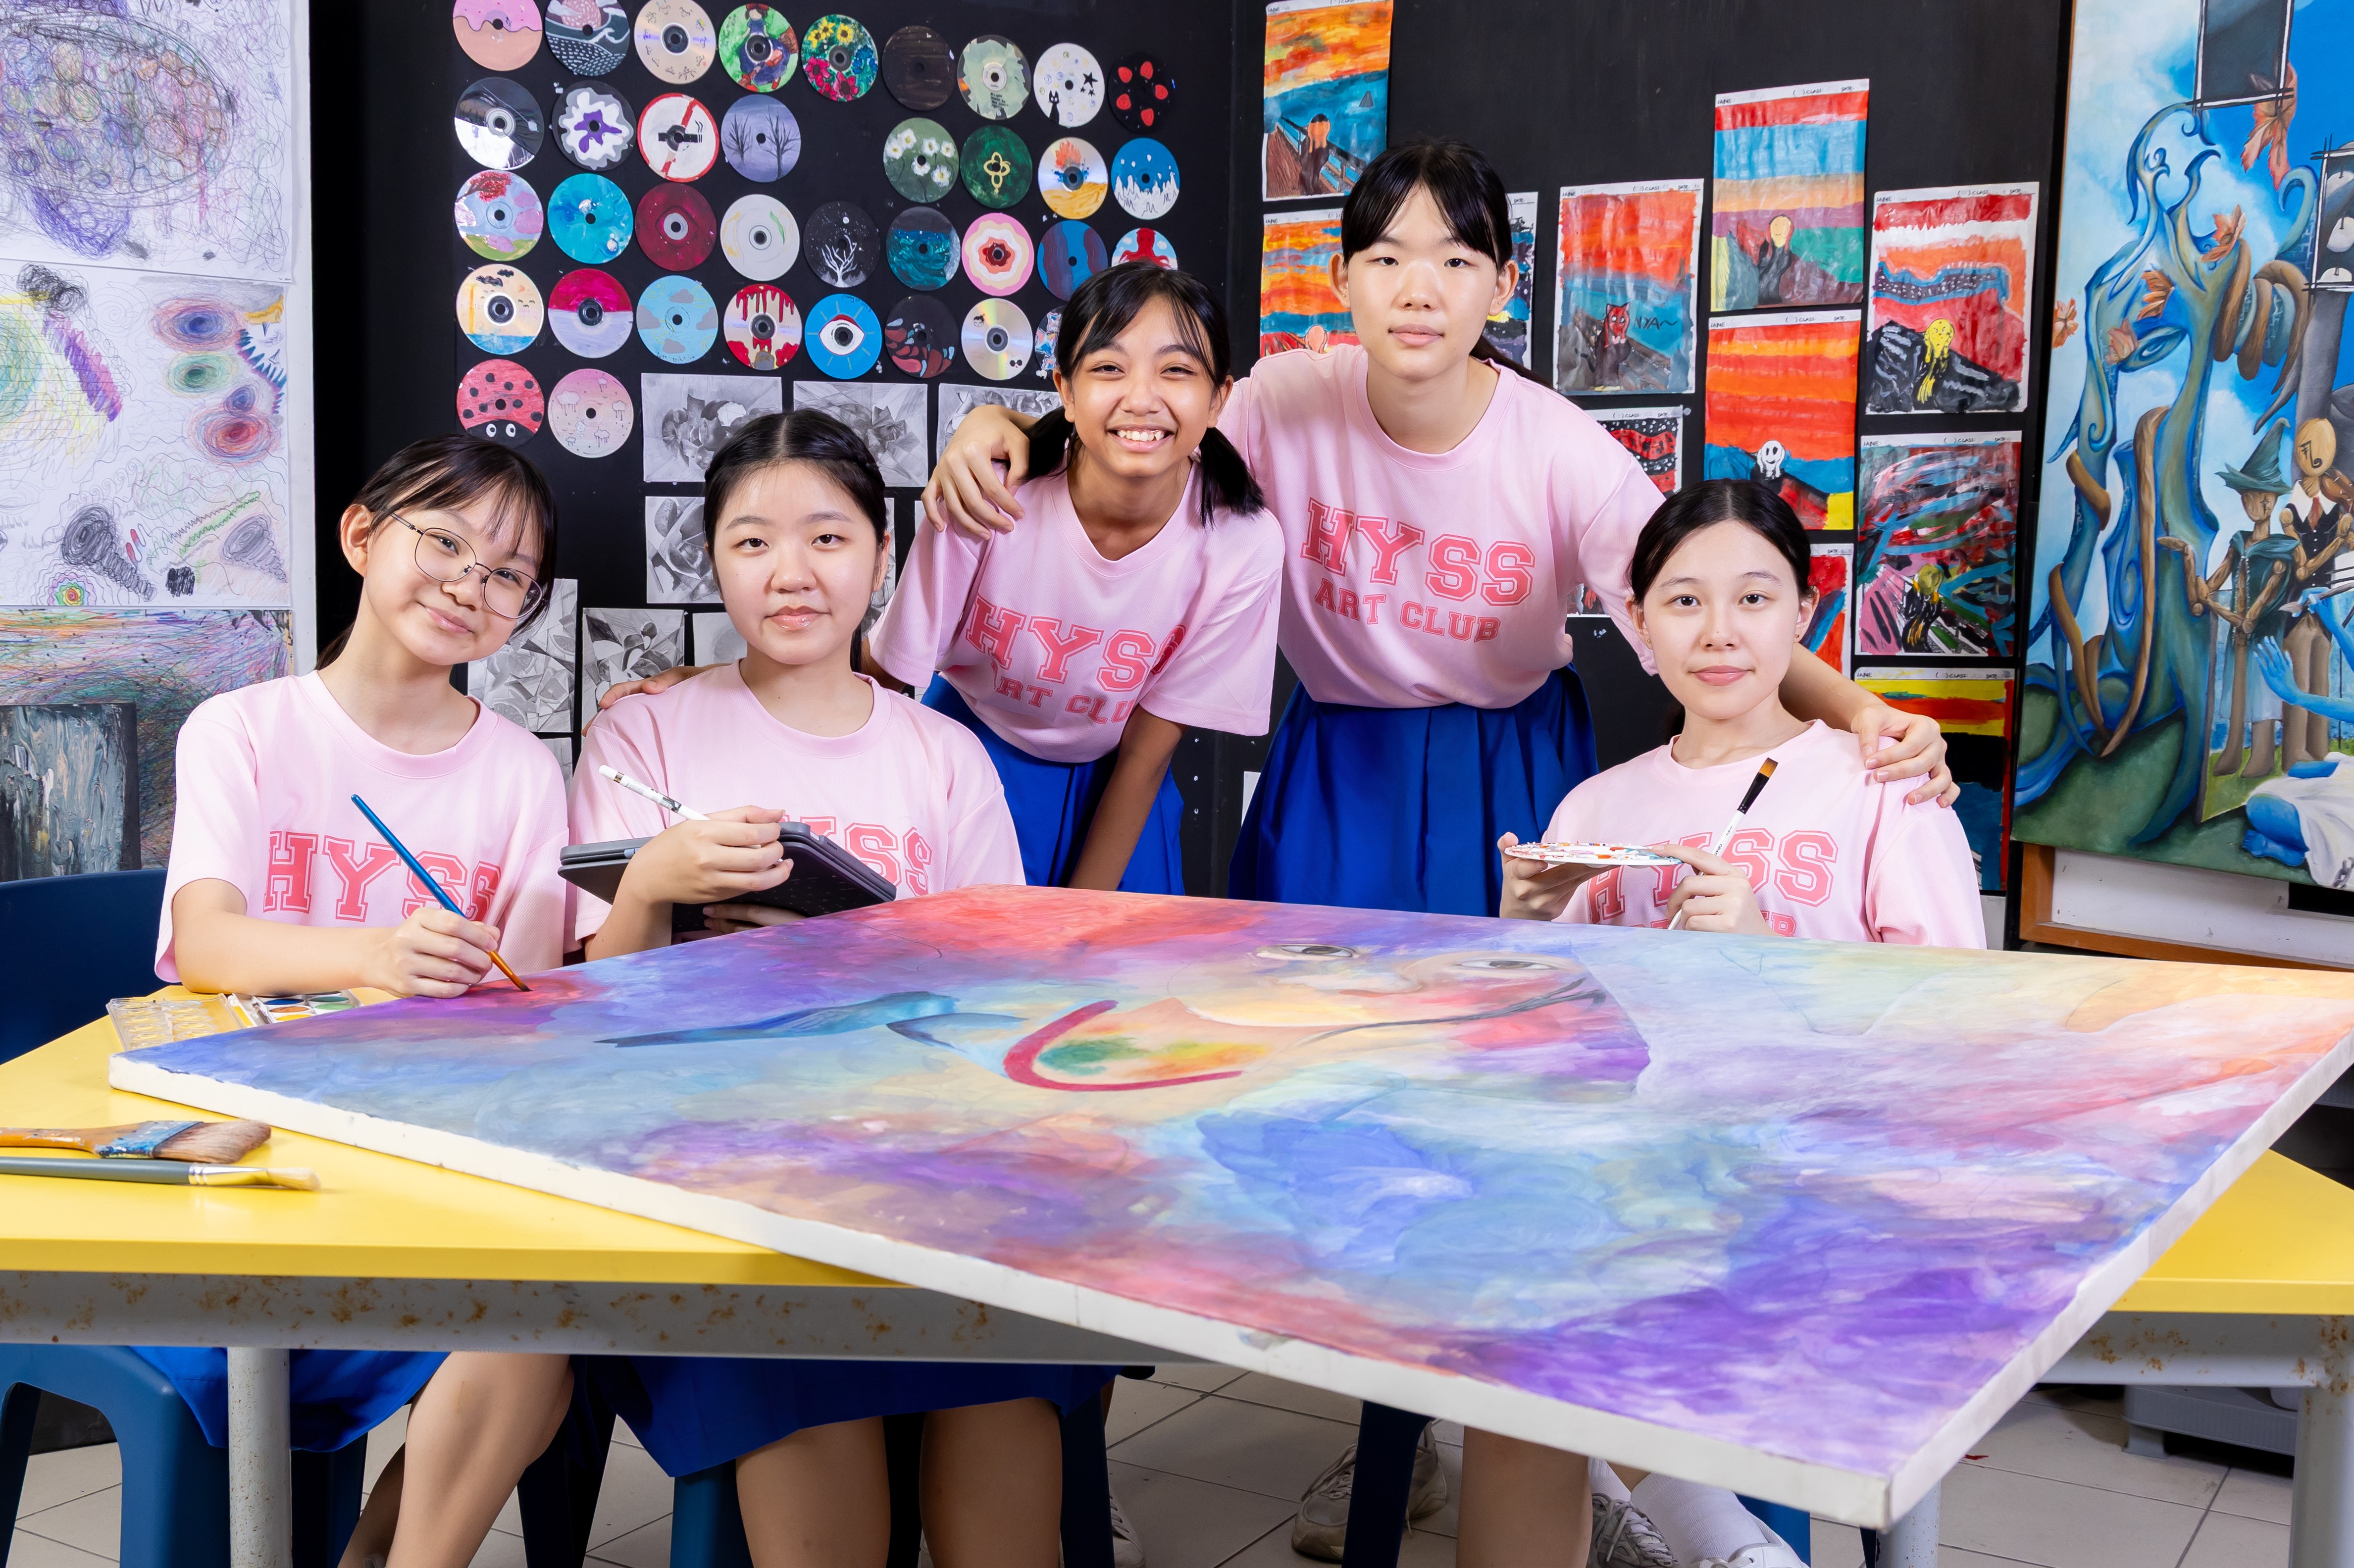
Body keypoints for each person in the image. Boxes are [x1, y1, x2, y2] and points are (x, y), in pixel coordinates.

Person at [917, 138, 1954, 929]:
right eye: (1386, 258)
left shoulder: (1558, 447)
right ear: (1341, 280)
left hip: (1506, 751)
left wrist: (1869, 715)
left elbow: (1709, 604)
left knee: (1504, 1020)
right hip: (1340, 750)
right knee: (1298, 1012)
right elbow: (1139, 429)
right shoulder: (1283, 398)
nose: (1418, 291)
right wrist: (999, 424)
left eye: (1455, 260)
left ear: (1501, 285)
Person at [568, 408, 1111, 1568]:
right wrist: (651, 885)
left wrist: (863, 951)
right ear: (711, 558)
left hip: (925, 1152)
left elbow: (1003, 997)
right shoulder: (644, 735)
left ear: (880, 553)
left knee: (1002, 1368)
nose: (792, 572)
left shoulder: (941, 752)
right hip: (723, 1163)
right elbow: (594, 1012)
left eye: (827, 537)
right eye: (752, 541)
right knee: (803, 1372)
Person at [1480, 478, 1982, 1568]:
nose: (1718, 632)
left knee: (1555, 1337)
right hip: (1632, 1179)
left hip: (1812, 1177)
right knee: (1507, 1315)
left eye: (1753, 598)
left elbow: (1954, 1027)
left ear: (1805, 610)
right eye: (1682, 601)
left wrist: (1767, 963)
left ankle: (1682, 1519)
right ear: (1638, 622)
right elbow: (1551, 1050)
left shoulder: (1879, 783)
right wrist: (1524, 930)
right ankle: (1705, 1532)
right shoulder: (1597, 808)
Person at [154, 434, 575, 1568]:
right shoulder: (242, 729)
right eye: (445, 541)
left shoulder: (524, 773)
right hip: (249, 1168)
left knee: (537, 1331)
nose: (469, 582)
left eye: (507, 572)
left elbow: (533, 1005)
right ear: (360, 534)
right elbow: (206, 942)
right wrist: (376, 956)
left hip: (432, 1166)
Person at [867, 263, 1282, 893]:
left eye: (1176, 370)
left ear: (1218, 399)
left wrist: (1076, 917)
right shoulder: (987, 492)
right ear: (1064, 387)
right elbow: (886, 679)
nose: (1141, 398)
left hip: (1119, 782)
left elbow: (1146, 752)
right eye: (1109, 368)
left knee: (1113, 953)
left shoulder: (1243, 545)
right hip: (966, 753)